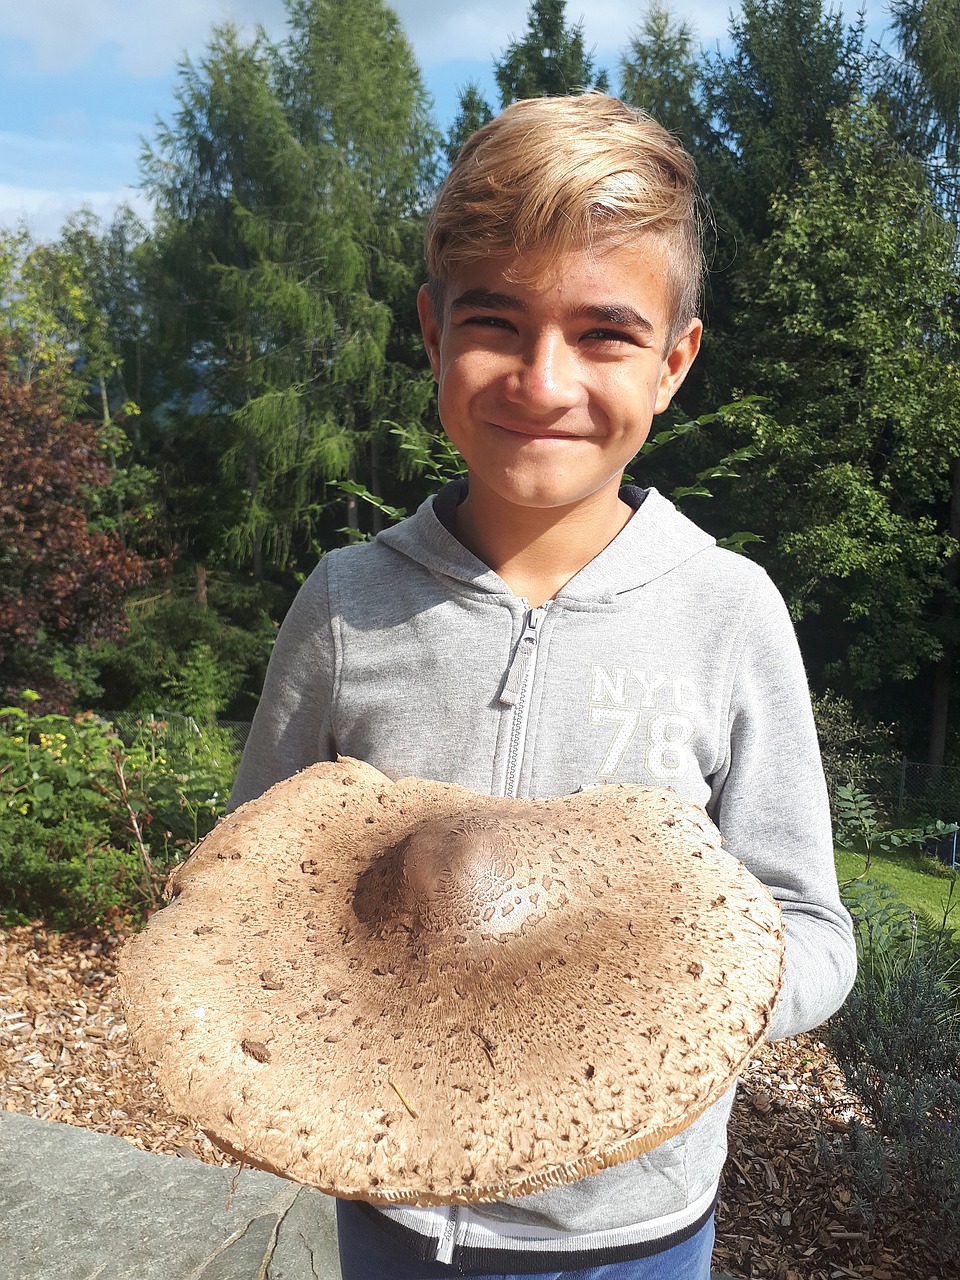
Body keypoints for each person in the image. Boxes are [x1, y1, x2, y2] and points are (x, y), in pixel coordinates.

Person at [228, 93, 856, 1280]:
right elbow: (249, 881)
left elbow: (817, 928)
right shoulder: (348, 600)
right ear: (431, 329)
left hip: (633, 1229)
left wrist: (674, 993)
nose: (542, 376)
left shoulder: (728, 610)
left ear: (675, 362)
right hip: (394, 1201)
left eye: (605, 332)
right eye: (496, 321)